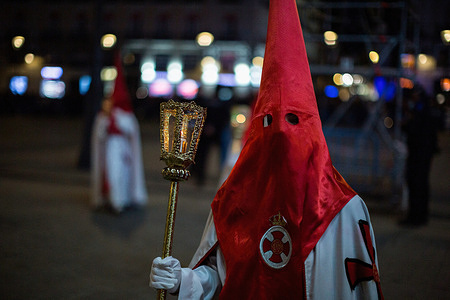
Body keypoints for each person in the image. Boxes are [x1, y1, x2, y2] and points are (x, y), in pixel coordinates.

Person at [150, 0, 383, 298]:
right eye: (270, 121)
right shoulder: (232, 199)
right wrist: (182, 280)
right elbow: (217, 276)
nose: (282, 133)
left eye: (294, 120)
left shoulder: (344, 210)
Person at [91, 52, 148, 214]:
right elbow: (99, 135)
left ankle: (122, 200)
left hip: (123, 151)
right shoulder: (102, 117)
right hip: (109, 149)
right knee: (110, 174)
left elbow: (131, 133)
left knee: (122, 176)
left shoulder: (127, 117)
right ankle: (110, 200)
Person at [400, 85, 441, 226]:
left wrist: (406, 123)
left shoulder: (420, 110)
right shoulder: (424, 109)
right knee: (420, 183)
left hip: (419, 153)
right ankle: (419, 215)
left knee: (417, 183)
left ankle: (416, 216)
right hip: (422, 153)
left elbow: (414, 129)